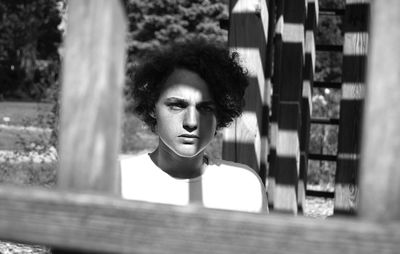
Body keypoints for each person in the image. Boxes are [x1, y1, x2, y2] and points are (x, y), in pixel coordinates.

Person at [120, 39, 268, 213]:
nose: (191, 122)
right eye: (177, 105)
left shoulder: (244, 187)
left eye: (205, 108)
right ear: (153, 107)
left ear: (219, 114)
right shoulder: (120, 180)